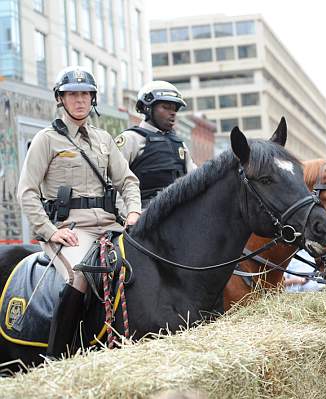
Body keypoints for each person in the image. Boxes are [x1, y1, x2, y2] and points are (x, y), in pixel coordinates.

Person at [17, 66, 142, 357]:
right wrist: (51, 231)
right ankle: (57, 354)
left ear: (93, 98)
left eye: (85, 93)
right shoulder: (46, 139)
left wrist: (134, 211)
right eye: (72, 93)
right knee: (79, 276)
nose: (80, 100)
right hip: (70, 230)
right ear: (60, 98)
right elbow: (27, 192)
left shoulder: (104, 139)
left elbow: (128, 181)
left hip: (111, 226)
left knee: (141, 264)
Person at [114, 81, 196, 208]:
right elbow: (115, 186)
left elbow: (196, 179)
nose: (173, 112)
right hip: (142, 218)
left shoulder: (179, 144)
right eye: (166, 107)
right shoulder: (131, 139)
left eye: (175, 108)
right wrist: (130, 218)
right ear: (147, 108)